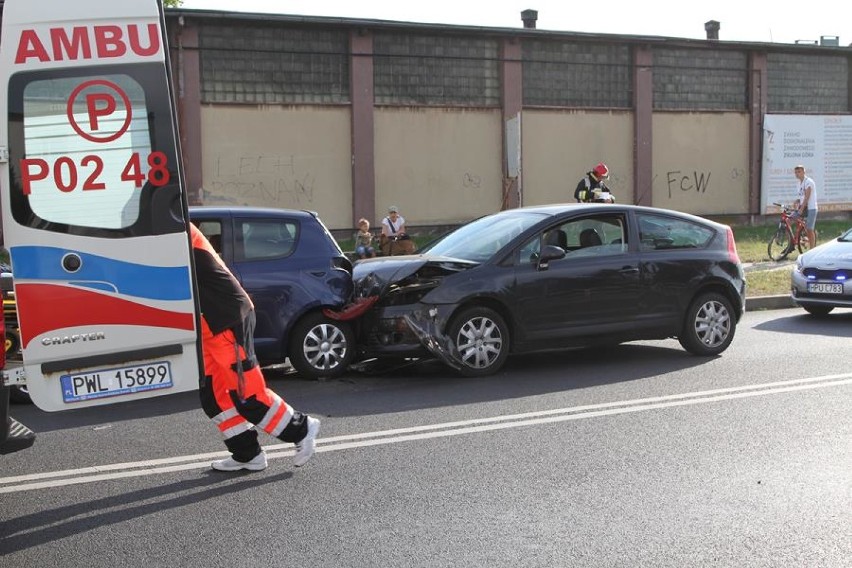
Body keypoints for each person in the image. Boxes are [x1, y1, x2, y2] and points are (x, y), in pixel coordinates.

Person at [190, 222, 320, 472]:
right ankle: (247, 454)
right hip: (209, 324)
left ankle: (302, 428)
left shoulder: (176, 230)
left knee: (246, 393)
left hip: (226, 318)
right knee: (215, 398)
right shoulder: (166, 229)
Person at [793, 165, 818, 248]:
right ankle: (802, 237)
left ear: (804, 172)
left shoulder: (808, 182)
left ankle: (812, 249)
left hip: (811, 208)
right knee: (793, 217)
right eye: (796, 172)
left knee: (810, 229)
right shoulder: (799, 183)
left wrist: (801, 209)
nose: (797, 174)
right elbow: (802, 196)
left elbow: (807, 197)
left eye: (799, 172)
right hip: (804, 206)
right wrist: (797, 201)